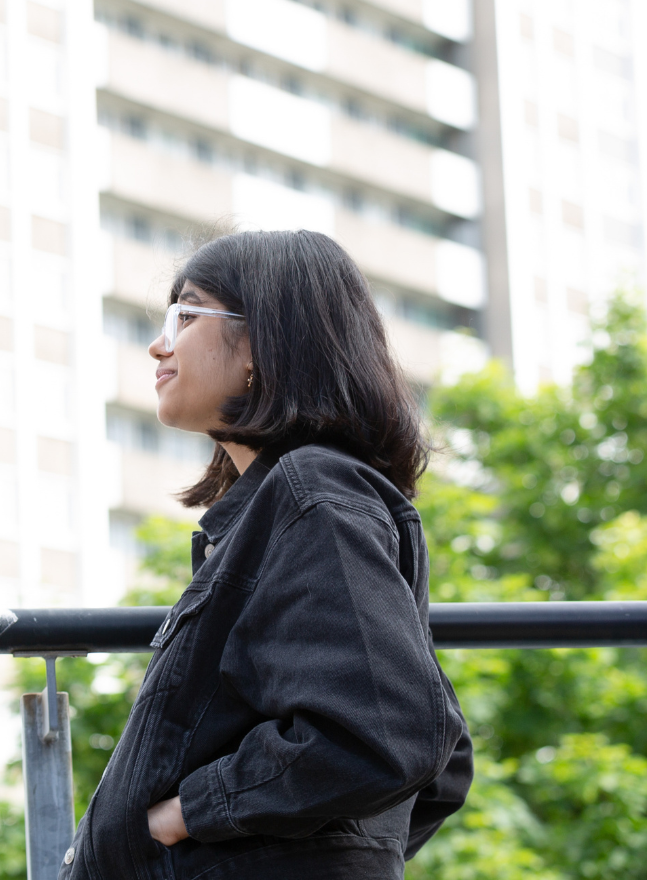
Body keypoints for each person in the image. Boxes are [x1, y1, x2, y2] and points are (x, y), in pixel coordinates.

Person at [60, 230, 472, 879]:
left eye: (188, 315)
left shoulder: (315, 494)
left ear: (261, 340)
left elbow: (391, 736)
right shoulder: (295, 507)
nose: (158, 343)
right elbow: (438, 765)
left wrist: (182, 822)